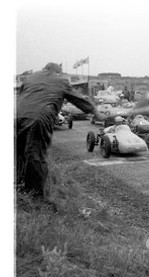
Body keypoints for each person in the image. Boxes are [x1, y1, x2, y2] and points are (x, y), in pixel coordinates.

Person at [16, 62, 96, 197]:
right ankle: (34, 195)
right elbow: (78, 98)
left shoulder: (30, 78)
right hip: (39, 117)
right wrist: (93, 110)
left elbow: (21, 96)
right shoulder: (59, 80)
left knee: (20, 152)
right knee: (36, 154)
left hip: (18, 117)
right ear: (57, 72)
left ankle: (18, 183)